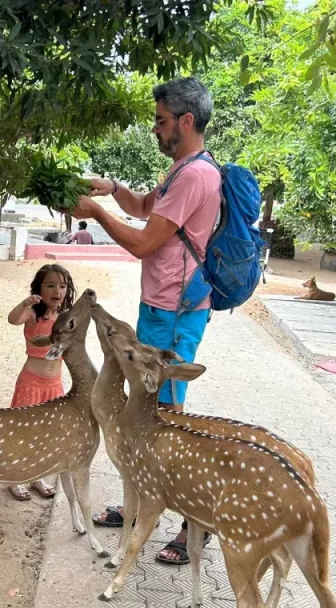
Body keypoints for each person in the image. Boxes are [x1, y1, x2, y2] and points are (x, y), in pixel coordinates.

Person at [70, 77, 222, 565]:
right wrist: (112, 190)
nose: (155, 129)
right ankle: (141, 506)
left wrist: (94, 213)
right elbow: (140, 209)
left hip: (175, 315)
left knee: (168, 418)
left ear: (185, 121)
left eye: (160, 120)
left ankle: (195, 524)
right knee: (146, 411)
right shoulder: (182, 170)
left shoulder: (196, 176)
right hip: (161, 307)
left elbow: (141, 242)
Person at [6, 264, 76, 501]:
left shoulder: (67, 318)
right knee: (23, 432)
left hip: (54, 385)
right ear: (39, 289)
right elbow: (12, 319)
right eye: (51, 285)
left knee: (46, 434)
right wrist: (26, 303)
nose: (57, 290)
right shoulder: (34, 313)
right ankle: (16, 478)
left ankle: (37, 476)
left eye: (63, 286)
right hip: (31, 383)